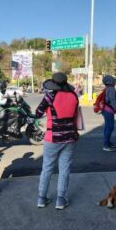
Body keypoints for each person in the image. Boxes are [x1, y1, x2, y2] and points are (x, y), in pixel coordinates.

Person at [36, 72, 79, 210]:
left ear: (54, 84)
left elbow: (37, 113)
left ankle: (42, 198)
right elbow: (75, 117)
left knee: (47, 168)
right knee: (64, 168)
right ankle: (60, 200)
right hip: (70, 137)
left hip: (52, 137)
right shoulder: (74, 96)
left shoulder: (50, 96)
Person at [101, 75, 116, 152]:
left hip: (106, 110)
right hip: (109, 110)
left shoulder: (107, 88)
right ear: (110, 82)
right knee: (110, 127)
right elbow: (113, 101)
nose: (115, 82)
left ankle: (108, 142)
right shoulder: (111, 89)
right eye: (113, 80)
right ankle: (106, 145)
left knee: (107, 127)